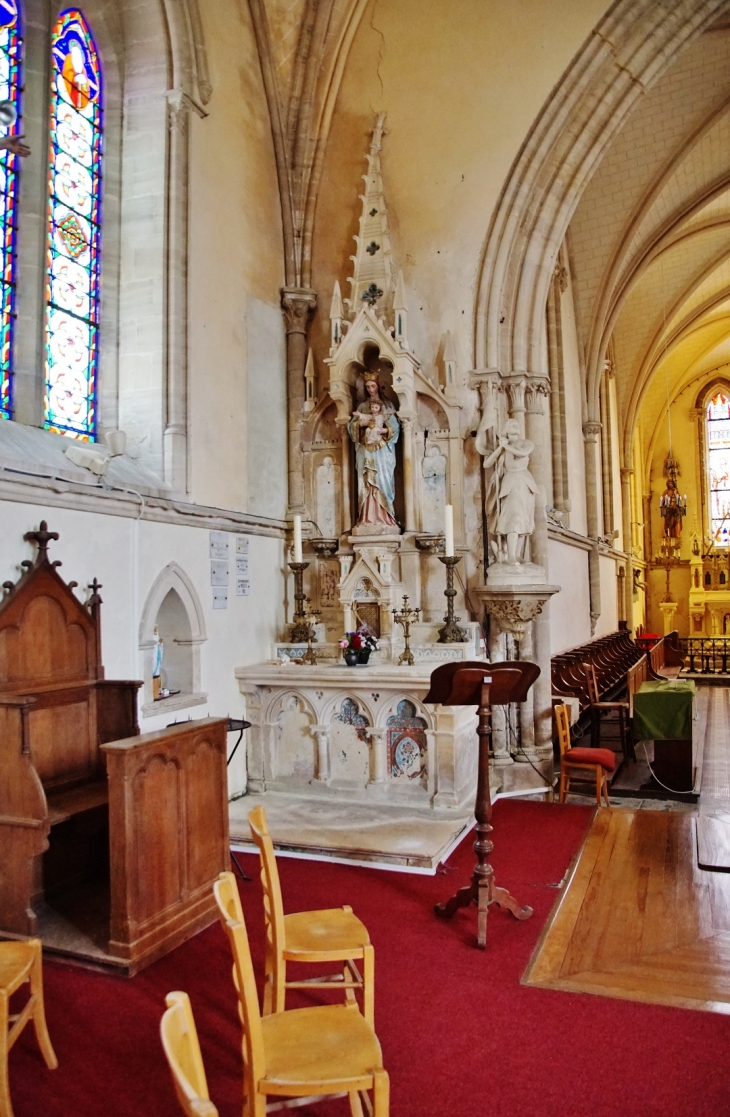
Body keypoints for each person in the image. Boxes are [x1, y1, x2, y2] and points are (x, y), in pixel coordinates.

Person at [348, 372, 400, 531]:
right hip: (366, 450)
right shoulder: (362, 406)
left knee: (382, 480)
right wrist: (361, 424)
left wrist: (383, 430)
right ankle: (367, 517)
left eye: (373, 386)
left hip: (382, 452)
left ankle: (385, 517)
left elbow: (395, 427)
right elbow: (352, 428)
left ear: (378, 386)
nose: (370, 389)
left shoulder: (387, 405)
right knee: (367, 480)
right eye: (368, 387)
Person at [483, 418, 538, 565]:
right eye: (510, 424)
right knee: (513, 519)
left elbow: (523, 452)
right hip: (509, 483)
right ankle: (511, 555)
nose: (515, 424)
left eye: (516, 423)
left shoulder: (525, 443)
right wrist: (499, 448)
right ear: (505, 430)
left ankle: (518, 555)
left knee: (524, 521)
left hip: (524, 483)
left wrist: (506, 446)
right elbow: (486, 463)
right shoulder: (504, 447)